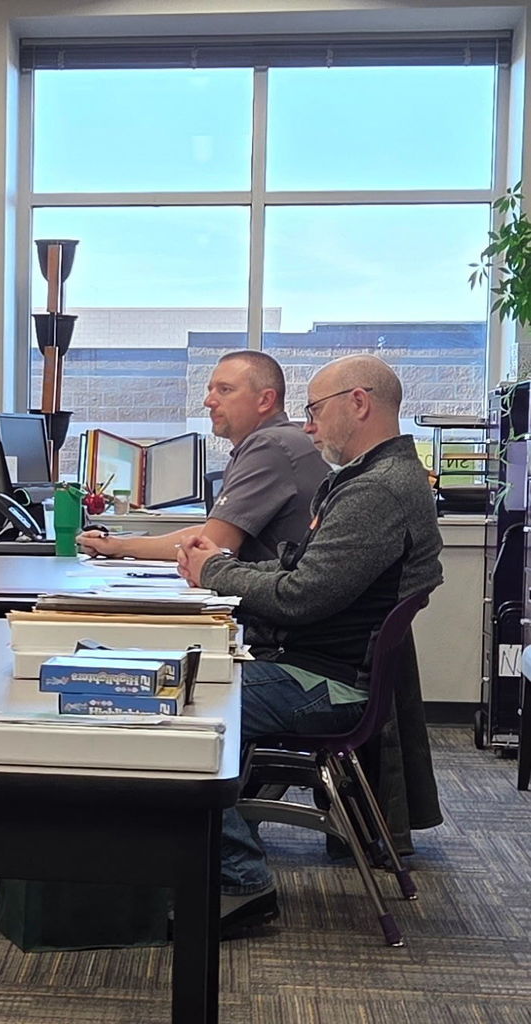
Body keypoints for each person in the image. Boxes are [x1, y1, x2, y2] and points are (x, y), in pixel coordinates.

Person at [177, 354, 443, 935]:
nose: (308, 424)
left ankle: (240, 882)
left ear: (358, 403)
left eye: (316, 410)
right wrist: (223, 570)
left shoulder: (378, 491)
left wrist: (214, 570)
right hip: (319, 668)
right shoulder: (369, 480)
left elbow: (300, 597)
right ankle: (199, 856)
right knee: (192, 687)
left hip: (326, 682)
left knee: (187, 708)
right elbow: (300, 576)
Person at [77, 351, 328, 562]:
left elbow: (213, 546)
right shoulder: (281, 439)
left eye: (225, 390)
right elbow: (213, 532)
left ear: (265, 400)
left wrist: (122, 548)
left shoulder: (269, 446)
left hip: (270, 600)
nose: (209, 401)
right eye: (210, 390)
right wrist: (118, 545)